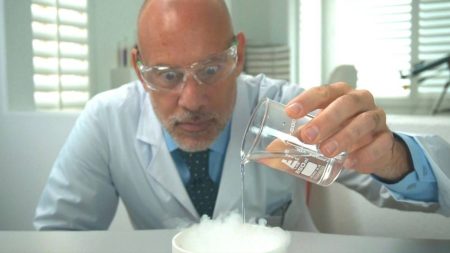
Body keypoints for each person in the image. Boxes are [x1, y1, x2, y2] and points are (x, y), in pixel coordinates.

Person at [34, 0, 450, 231]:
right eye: (167, 75)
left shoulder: (289, 110)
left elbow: (435, 192)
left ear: (240, 55)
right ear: (140, 70)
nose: (192, 99)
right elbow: (58, 235)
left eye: (212, 69)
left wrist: (394, 158)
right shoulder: (107, 121)